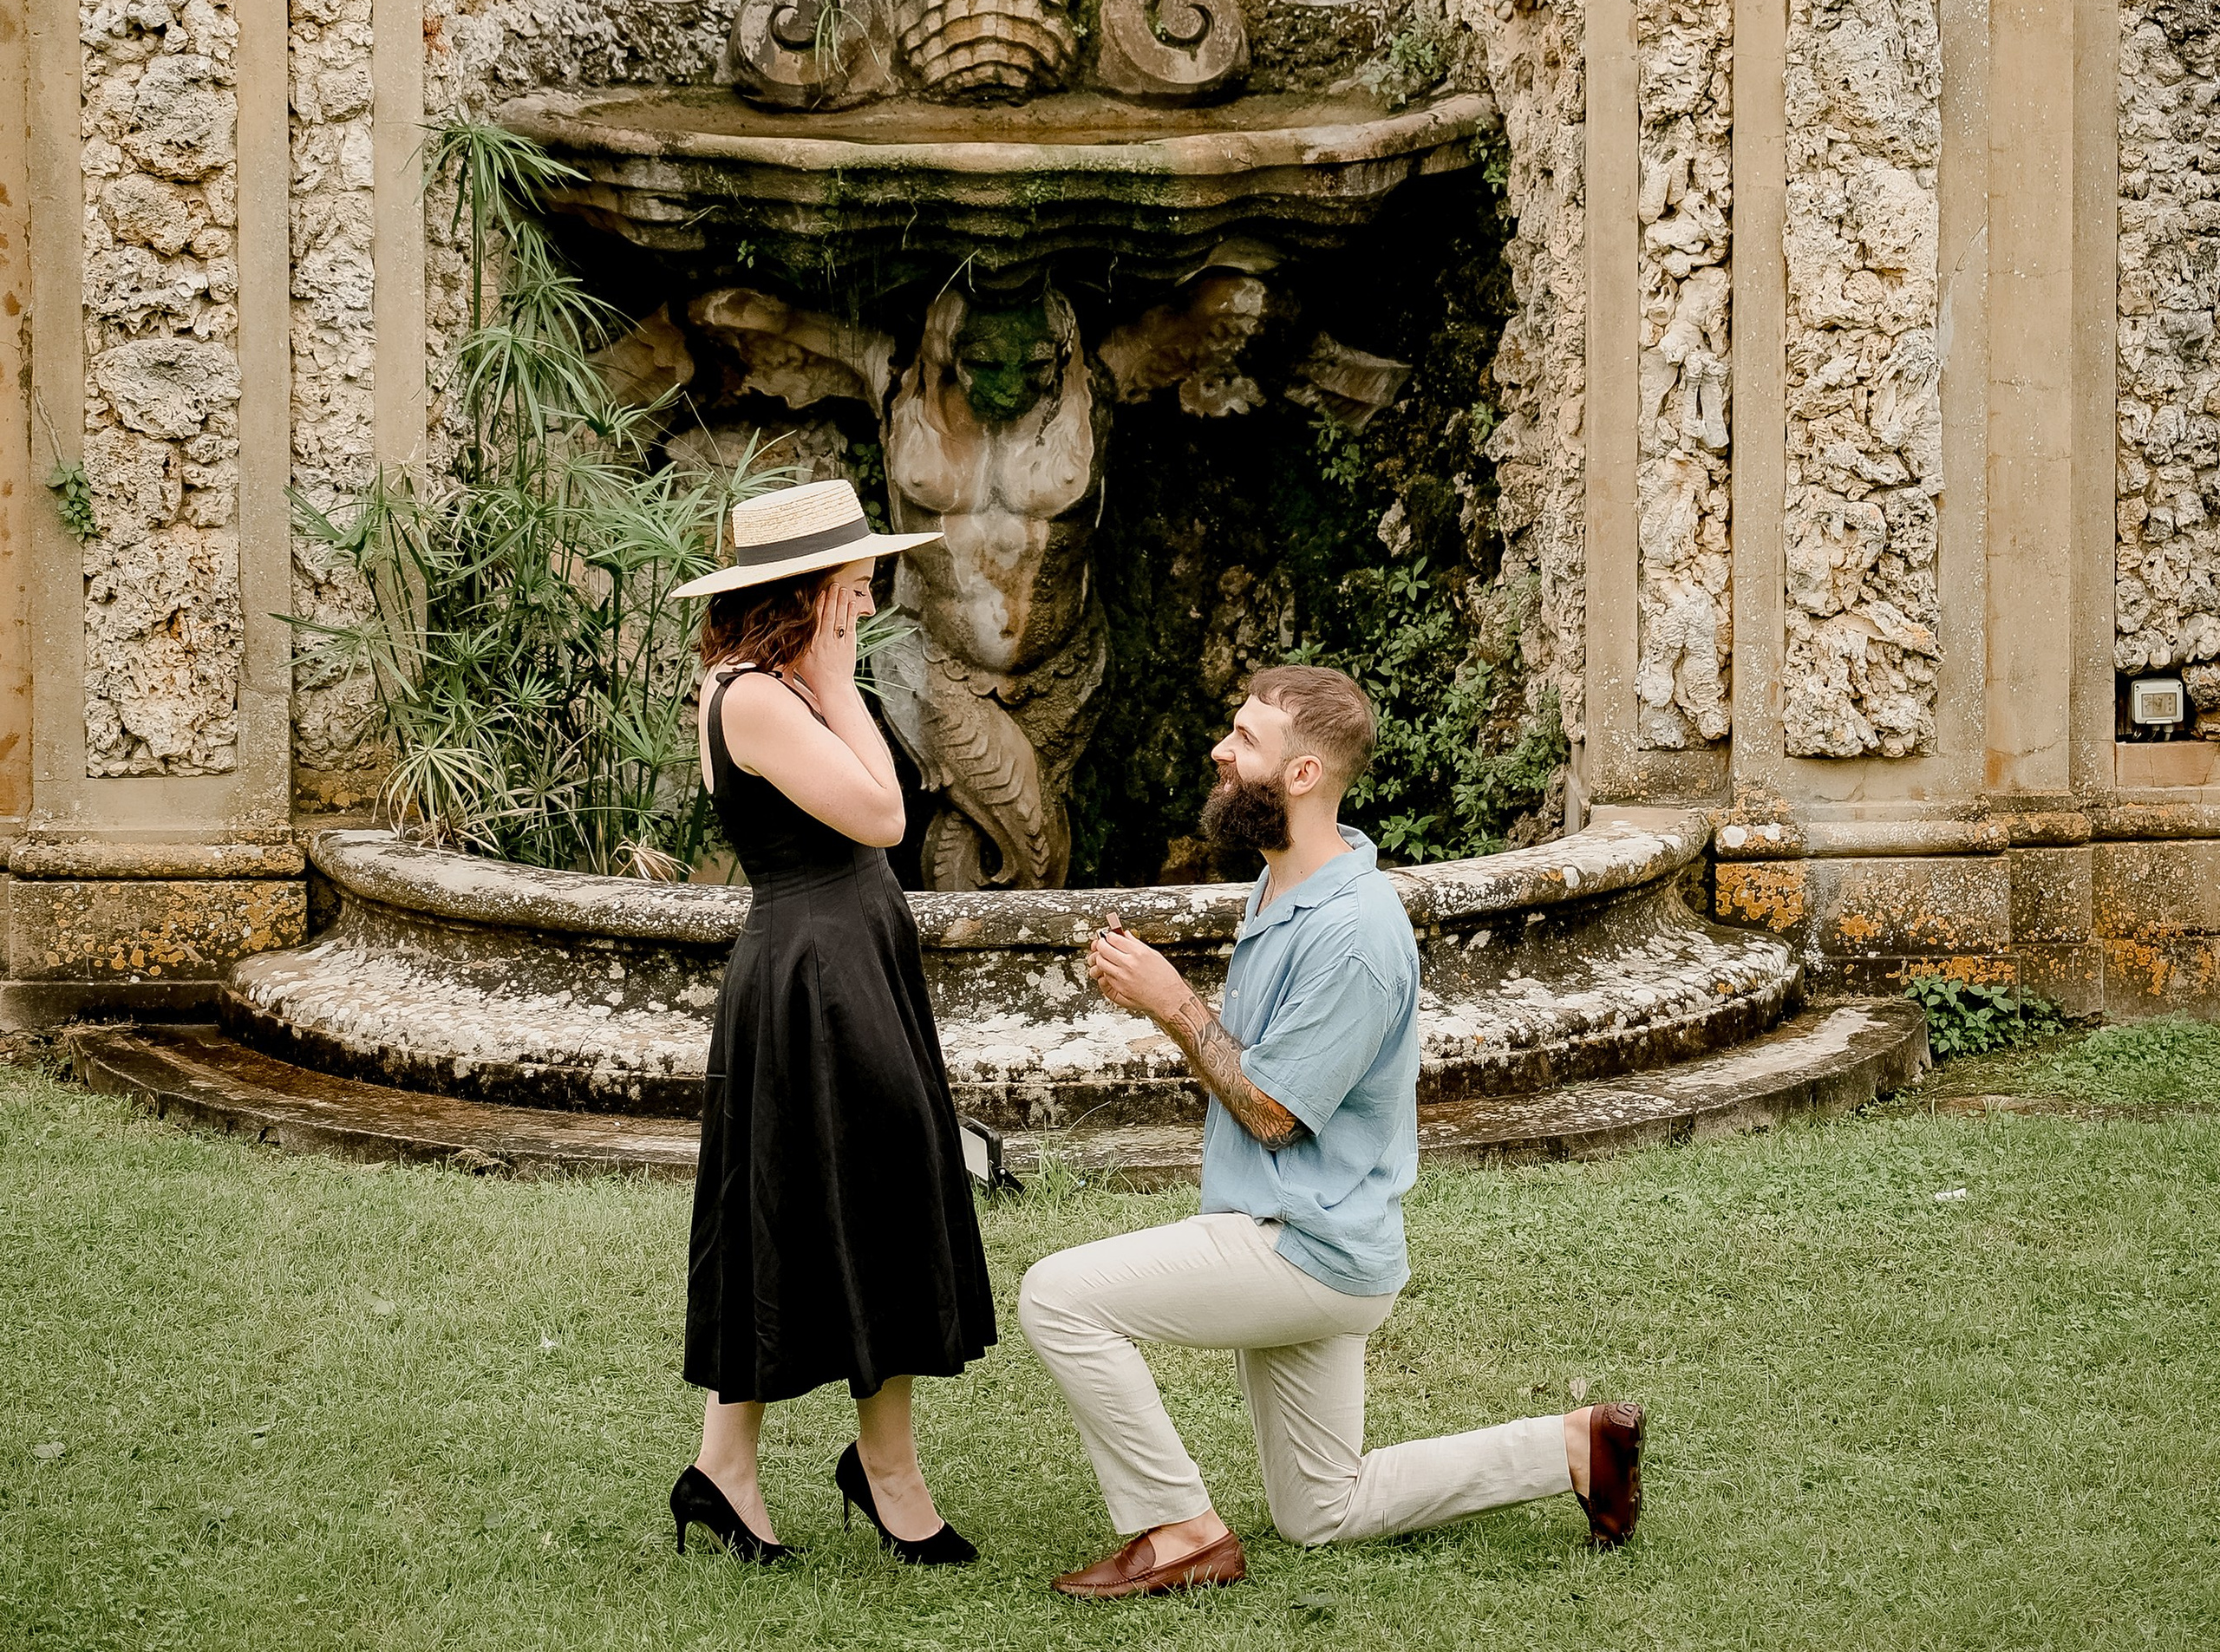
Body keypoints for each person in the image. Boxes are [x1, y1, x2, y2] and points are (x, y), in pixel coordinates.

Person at [1017, 663, 1644, 1598]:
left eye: (1245, 740)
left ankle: (1181, 1532)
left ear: (1302, 774)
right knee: (1321, 1510)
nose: (1221, 751)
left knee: (1059, 1297)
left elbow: (1274, 1114)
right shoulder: (1285, 884)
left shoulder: (1353, 932)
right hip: (1305, 1233)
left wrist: (1171, 1001)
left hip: (1301, 1245)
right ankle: (1574, 1447)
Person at [668, 476, 995, 1567]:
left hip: (851, 957)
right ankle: (832, 1471)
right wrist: (839, 680)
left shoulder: (783, 686)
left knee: (849, 1192)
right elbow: (884, 814)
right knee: (824, 1195)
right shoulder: (755, 697)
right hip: (814, 972)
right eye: (852, 585)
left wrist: (825, 675)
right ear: (805, 592)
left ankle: (778, 1466)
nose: (867, 600)